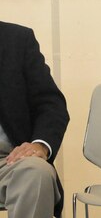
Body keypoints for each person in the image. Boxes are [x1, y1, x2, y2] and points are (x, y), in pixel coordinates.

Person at [0, 21, 69, 218]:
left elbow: (50, 104)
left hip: (9, 160)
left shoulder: (17, 40)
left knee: (37, 172)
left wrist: (40, 145)